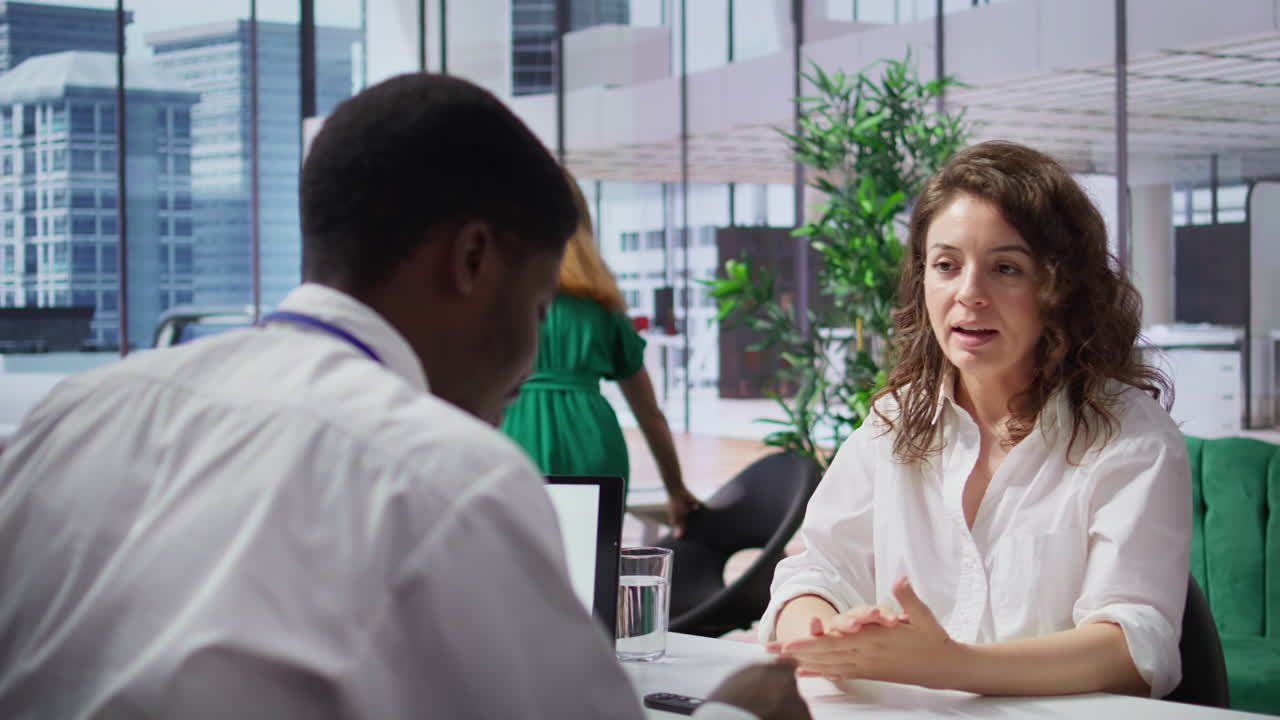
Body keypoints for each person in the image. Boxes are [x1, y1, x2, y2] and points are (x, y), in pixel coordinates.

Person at [0, 73, 809, 720]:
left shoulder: (71, 417)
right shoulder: (443, 478)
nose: (528, 366)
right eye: (534, 309)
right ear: (471, 260)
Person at [762, 140, 1191, 699]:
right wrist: (824, 634)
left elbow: (1136, 644)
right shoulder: (894, 421)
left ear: (1060, 290)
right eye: (946, 265)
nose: (969, 293)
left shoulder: (1130, 438)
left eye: (1005, 268)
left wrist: (950, 666)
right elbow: (812, 570)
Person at [501, 172, 700, 533]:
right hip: (592, 439)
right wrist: (675, 489)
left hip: (514, 430)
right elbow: (649, 414)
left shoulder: (502, 294)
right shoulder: (602, 303)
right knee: (594, 565)